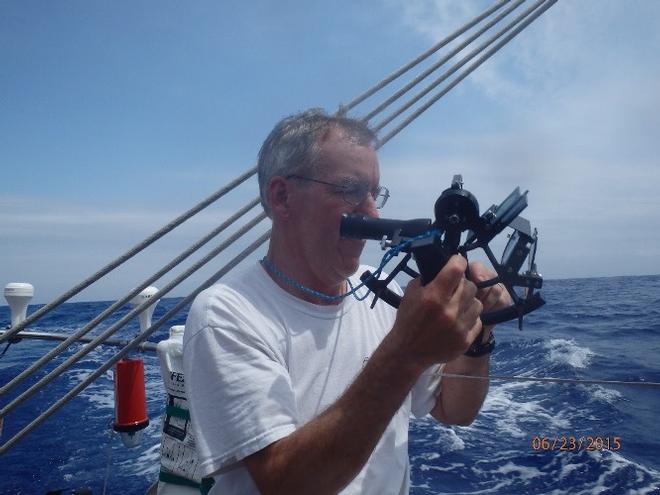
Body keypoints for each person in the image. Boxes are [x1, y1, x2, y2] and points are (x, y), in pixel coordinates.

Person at [183, 109, 509, 494]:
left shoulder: (383, 290)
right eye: (349, 190)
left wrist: (477, 335)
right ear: (282, 197)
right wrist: (405, 352)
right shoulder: (226, 313)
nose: (372, 213)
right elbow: (286, 484)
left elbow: (454, 410)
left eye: (374, 193)